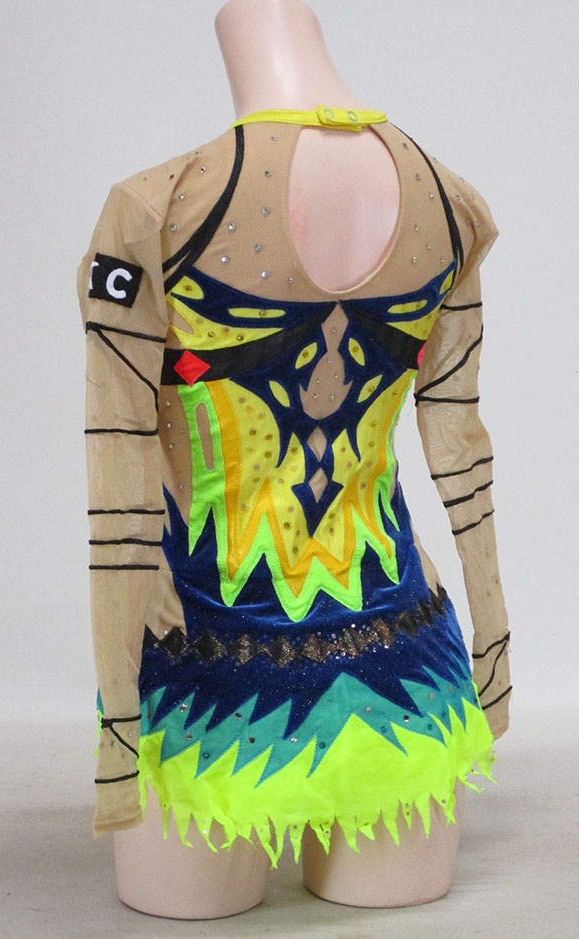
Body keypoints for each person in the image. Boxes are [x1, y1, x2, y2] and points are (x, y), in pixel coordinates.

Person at [77, 0, 511, 918]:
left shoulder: (159, 206)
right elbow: (462, 453)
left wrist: (119, 723)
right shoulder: (450, 202)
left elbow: (118, 487)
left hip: (201, 672)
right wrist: (493, 651)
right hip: (402, 654)